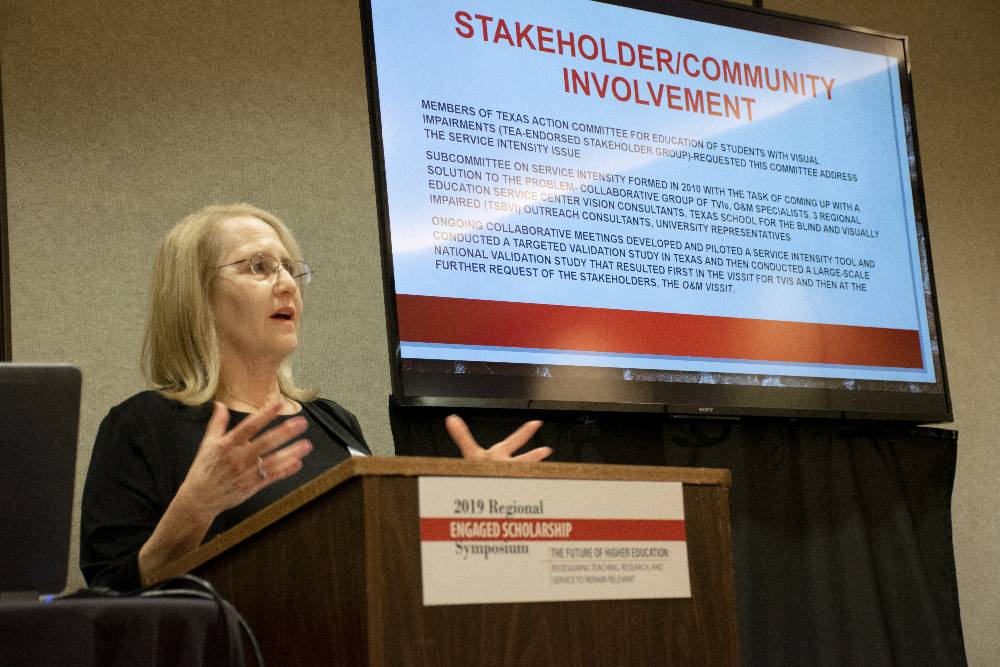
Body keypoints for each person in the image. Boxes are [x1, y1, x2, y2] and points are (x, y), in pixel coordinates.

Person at [80, 203, 551, 591]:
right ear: (195, 294)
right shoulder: (144, 426)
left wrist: (463, 509)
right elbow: (109, 599)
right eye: (259, 268)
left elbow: (388, 566)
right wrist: (197, 510)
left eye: (289, 268)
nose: (286, 284)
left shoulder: (332, 421)